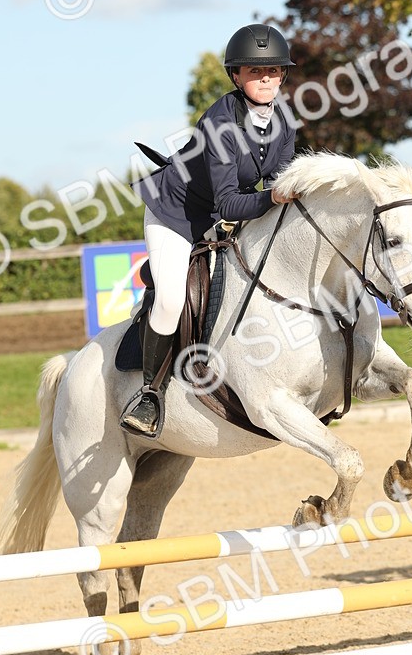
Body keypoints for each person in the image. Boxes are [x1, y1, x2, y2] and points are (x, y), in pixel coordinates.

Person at [120, 22, 298, 437]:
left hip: (221, 215)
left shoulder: (284, 122)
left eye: (273, 71)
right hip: (176, 215)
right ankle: (149, 395)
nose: (266, 79)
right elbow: (230, 202)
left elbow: (283, 177)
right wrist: (274, 198)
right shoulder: (218, 124)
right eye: (255, 72)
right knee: (169, 298)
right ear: (236, 76)